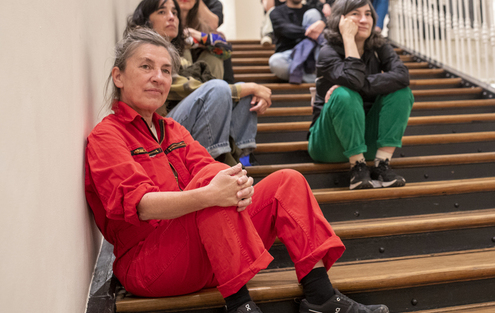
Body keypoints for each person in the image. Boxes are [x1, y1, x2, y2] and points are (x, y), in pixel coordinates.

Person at [85, 28, 389, 313]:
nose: (158, 78)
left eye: (166, 70)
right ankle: (240, 305)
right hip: (149, 266)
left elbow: (212, 169)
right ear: (119, 76)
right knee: (212, 184)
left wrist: (238, 187)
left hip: (206, 253)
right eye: (146, 67)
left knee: (287, 181)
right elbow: (141, 207)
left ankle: (321, 298)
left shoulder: (173, 129)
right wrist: (211, 193)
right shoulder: (107, 136)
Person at [126, 0, 270, 165]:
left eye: (174, 12)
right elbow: (184, 87)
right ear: (146, 21)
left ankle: (241, 158)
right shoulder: (143, 50)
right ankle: (215, 162)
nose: (172, 17)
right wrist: (252, 86)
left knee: (238, 93)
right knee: (220, 88)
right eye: (162, 12)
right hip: (157, 128)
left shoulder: (176, 51)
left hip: (179, 121)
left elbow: (224, 50)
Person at [309, 0, 413, 190]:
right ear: (341, 19)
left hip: (367, 141)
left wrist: (359, 83)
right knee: (344, 95)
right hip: (328, 143)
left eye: (368, 14)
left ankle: (382, 164)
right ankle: (358, 168)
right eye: (355, 14)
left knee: (402, 92)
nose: (364, 20)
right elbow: (354, 81)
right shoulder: (327, 51)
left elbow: (402, 76)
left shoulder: (379, 46)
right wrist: (348, 37)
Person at [168, 0, 231, 80]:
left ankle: (213, 94)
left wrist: (194, 34)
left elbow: (226, 50)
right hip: (174, 83)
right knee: (183, 49)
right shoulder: (164, 21)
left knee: (214, 57)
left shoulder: (202, 25)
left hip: (202, 80)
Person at [269, 0, 326, 84]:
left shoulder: (311, 10)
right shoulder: (276, 12)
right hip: (289, 56)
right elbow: (286, 29)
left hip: (313, 54)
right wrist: (312, 30)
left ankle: (304, 74)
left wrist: (323, 23)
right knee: (275, 61)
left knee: (313, 14)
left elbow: (329, 25)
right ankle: (314, 78)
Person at [182, 0, 235, 84]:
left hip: (204, 48)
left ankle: (224, 87)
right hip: (184, 49)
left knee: (217, 50)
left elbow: (213, 26)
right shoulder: (174, 3)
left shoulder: (214, 3)